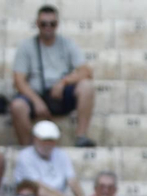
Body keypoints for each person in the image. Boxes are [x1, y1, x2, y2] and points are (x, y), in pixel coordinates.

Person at [10, 5, 96, 147]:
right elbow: (19, 81)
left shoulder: (67, 43)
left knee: (87, 86)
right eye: (44, 24)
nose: (48, 27)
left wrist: (63, 82)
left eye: (52, 23)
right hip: (36, 94)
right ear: (37, 24)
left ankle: (81, 136)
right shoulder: (26, 46)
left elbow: (87, 71)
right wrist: (36, 100)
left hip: (61, 94)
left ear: (57, 25)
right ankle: (28, 148)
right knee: (17, 106)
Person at [13, 120, 83, 196]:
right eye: (45, 140)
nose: (48, 144)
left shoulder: (61, 155)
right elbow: (37, 186)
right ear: (35, 139)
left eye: (51, 140)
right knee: (39, 193)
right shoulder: (25, 156)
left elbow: (72, 180)